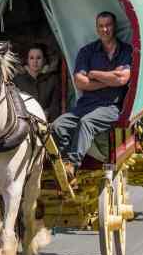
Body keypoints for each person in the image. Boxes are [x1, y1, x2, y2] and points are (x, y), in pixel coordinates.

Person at [52, 11, 132, 175]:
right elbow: (80, 82)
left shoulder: (126, 50)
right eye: (101, 26)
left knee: (87, 123)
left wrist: (94, 74)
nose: (105, 30)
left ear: (114, 27)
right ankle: (62, 165)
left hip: (111, 107)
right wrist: (109, 78)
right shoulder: (87, 51)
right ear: (97, 29)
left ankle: (72, 166)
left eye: (108, 25)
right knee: (57, 126)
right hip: (85, 105)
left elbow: (122, 79)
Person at [13, 43, 61, 122]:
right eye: (31, 58)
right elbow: (15, 105)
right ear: (27, 60)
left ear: (44, 60)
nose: (35, 61)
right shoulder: (18, 80)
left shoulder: (52, 79)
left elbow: (55, 106)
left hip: (46, 122)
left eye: (38, 58)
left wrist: (47, 114)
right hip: (24, 122)